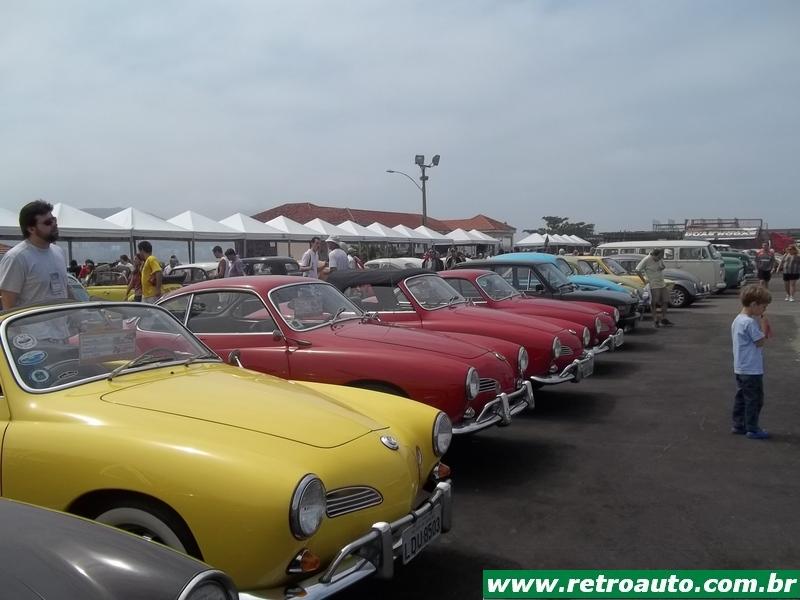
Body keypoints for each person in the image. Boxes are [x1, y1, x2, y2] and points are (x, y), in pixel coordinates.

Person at [0, 200, 70, 310]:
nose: (54, 224)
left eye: (54, 219)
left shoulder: (59, 252)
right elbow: (8, 305)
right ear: (31, 229)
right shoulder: (16, 258)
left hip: (62, 321)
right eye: (48, 222)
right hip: (31, 321)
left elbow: (65, 291)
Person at [731, 285, 772, 439]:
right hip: (752, 369)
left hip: (740, 367)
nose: (764, 310)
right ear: (754, 304)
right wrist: (764, 326)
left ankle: (738, 424)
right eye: (763, 307)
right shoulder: (749, 323)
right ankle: (752, 428)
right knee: (755, 399)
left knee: (742, 397)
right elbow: (760, 341)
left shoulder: (738, 320)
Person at [636, 248, 673, 327]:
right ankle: (655, 320)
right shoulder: (646, 259)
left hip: (661, 282)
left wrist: (662, 267)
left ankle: (663, 319)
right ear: (654, 255)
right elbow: (637, 270)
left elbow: (663, 266)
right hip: (653, 284)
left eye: (661, 257)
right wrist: (644, 280)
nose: (660, 259)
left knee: (665, 300)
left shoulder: (660, 259)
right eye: (659, 257)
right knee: (654, 302)